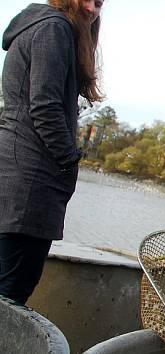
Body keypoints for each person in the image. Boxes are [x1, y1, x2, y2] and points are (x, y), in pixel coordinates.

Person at [0, 0, 105, 305]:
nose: (91, 8)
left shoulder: (42, 26)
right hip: (28, 184)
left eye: (98, 3)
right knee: (10, 297)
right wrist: (69, 160)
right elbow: (44, 107)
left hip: (18, 177)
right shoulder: (54, 28)